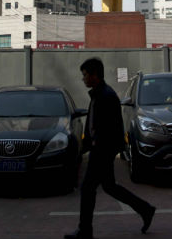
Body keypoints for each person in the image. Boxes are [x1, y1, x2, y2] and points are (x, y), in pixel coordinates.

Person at [65, 58, 155, 239]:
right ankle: (145, 209)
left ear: (94, 75)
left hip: (102, 151)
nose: (83, 79)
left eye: (85, 75)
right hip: (101, 150)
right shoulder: (99, 94)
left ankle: (85, 230)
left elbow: (110, 128)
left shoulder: (106, 96)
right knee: (109, 186)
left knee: (88, 188)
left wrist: (98, 147)